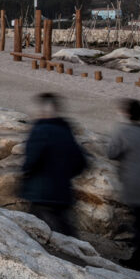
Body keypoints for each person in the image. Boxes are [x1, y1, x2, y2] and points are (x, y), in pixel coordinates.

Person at [20, 92, 88, 236]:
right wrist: (63, 175)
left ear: (43, 110)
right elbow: (81, 162)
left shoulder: (40, 130)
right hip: (63, 191)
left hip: (41, 192)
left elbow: (31, 160)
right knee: (65, 231)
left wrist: (26, 174)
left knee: (38, 231)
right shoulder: (66, 130)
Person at [107, 99, 140, 270]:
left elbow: (111, 153)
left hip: (132, 182)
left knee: (138, 221)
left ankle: (138, 258)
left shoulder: (124, 130)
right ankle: (139, 250)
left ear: (128, 113)